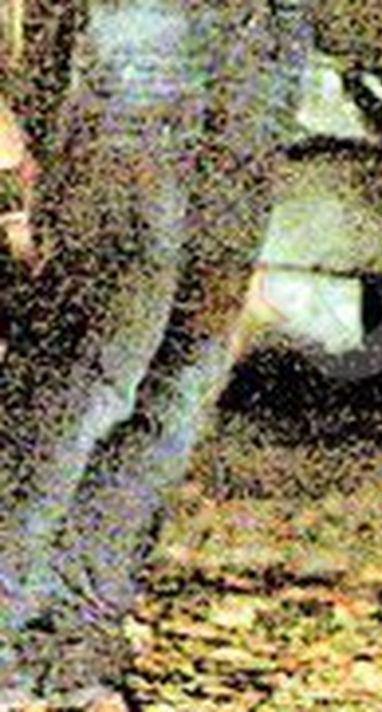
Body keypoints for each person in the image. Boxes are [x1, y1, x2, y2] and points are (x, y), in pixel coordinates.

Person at [0, 0, 305, 707]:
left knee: (186, 367)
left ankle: (75, 652)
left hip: (265, 29)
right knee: (94, 352)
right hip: (142, 18)